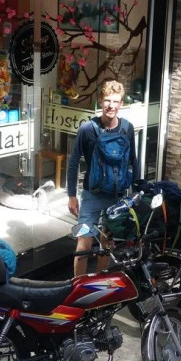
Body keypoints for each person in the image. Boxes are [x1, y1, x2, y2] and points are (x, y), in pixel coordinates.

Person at [67, 79, 139, 277]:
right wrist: (71, 195)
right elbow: (73, 163)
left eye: (115, 101)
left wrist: (136, 194)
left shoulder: (127, 128)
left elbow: (133, 161)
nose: (111, 105)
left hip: (116, 196)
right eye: (107, 100)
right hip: (91, 195)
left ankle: (100, 284)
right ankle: (79, 286)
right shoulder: (87, 129)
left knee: (107, 243)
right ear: (100, 101)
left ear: (121, 103)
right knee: (84, 243)